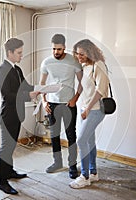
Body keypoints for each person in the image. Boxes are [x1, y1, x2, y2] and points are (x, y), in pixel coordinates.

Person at [0, 38, 40, 194]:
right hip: (8, 116)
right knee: (6, 149)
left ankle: (9, 172)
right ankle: (2, 182)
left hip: (17, 115)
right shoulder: (2, 70)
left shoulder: (17, 69)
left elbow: (26, 87)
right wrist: (28, 94)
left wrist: (42, 88)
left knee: (12, 146)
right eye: (19, 53)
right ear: (10, 53)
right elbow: (8, 95)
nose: (22, 55)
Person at [39, 34, 83, 179]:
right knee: (54, 135)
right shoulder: (46, 62)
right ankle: (57, 163)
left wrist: (75, 99)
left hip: (68, 103)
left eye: (59, 49)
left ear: (64, 47)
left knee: (71, 135)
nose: (56, 52)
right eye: (53, 49)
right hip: (52, 104)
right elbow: (42, 84)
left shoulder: (74, 61)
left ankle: (72, 166)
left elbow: (83, 83)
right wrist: (44, 101)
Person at [69, 39, 109, 189]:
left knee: (81, 140)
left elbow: (101, 90)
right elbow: (84, 87)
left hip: (95, 109)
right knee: (90, 141)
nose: (79, 56)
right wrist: (78, 102)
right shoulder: (85, 66)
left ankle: (84, 176)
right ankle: (93, 173)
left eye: (82, 54)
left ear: (90, 52)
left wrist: (87, 109)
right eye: (77, 54)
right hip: (85, 108)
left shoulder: (98, 65)